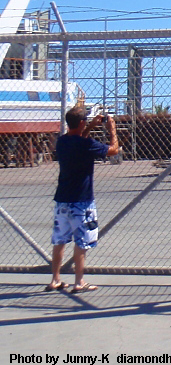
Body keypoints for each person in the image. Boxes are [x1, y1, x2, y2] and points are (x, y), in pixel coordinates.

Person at [46, 106, 118, 293]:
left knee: (60, 240)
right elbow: (113, 150)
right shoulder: (87, 145)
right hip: (82, 201)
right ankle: (79, 282)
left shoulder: (62, 142)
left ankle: (55, 279)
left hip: (62, 200)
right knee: (82, 242)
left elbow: (79, 137)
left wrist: (91, 126)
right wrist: (112, 130)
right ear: (81, 123)